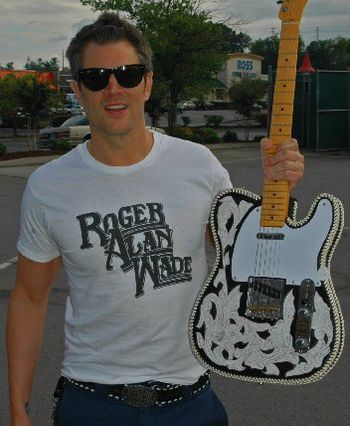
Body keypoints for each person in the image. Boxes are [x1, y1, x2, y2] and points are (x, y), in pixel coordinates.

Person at [7, 12, 304, 426]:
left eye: (127, 74)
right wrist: (18, 407)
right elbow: (29, 297)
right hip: (91, 401)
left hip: (190, 400)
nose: (113, 88)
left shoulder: (199, 165)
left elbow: (246, 268)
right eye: (95, 78)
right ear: (77, 90)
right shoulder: (48, 186)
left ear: (146, 83)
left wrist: (279, 195)